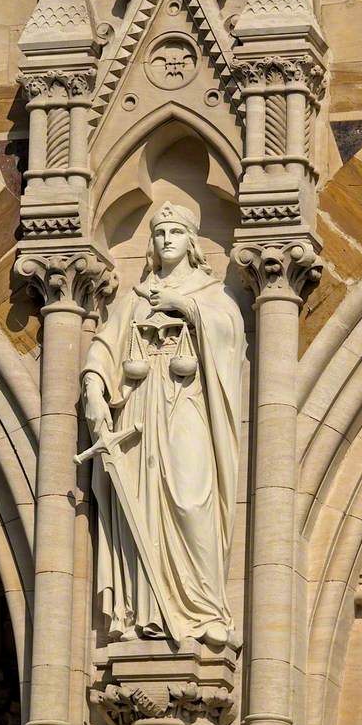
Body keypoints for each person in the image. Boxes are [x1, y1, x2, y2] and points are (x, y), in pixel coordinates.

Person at [81, 201, 245, 646]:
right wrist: (95, 387)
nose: (166, 240)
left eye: (174, 232)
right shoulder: (136, 299)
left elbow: (229, 333)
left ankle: (204, 608)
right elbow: (105, 346)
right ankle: (144, 612)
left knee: (191, 501)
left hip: (185, 407)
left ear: (192, 241)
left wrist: (186, 308)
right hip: (137, 411)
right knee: (143, 502)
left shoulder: (211, 293)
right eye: (159, 233)